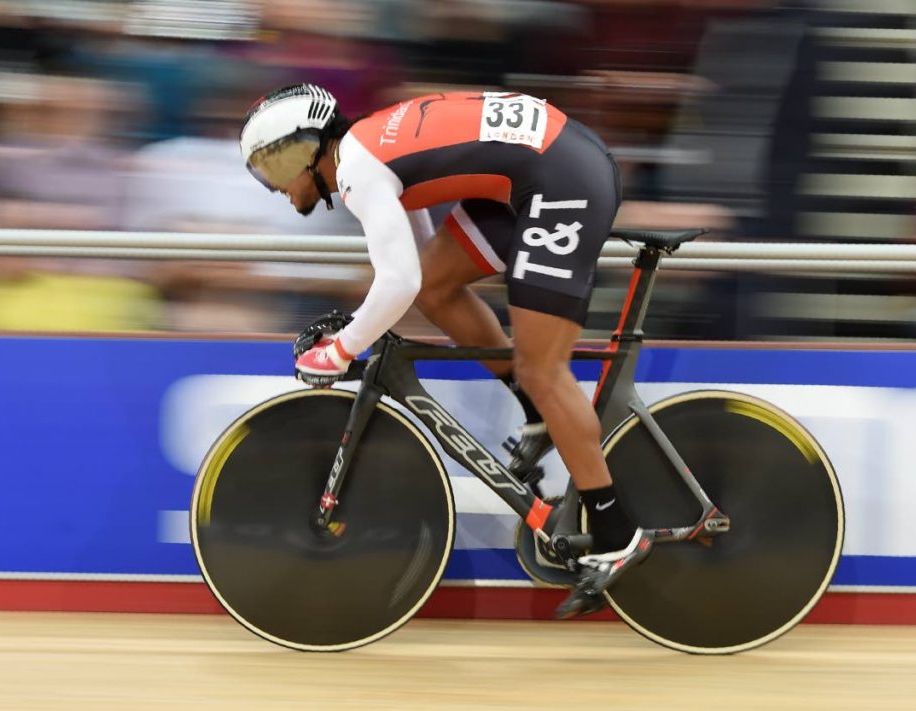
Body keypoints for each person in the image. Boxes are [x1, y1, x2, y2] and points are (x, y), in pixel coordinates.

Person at [238, 83, 653, 617]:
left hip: (560, 179)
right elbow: (415, 271)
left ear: (304, 149)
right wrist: (360, 329)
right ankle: (536, 412)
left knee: (543, 369)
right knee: (439, 289)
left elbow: (396, 283)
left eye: (271, 168)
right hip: (542, 167)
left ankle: (618, 533)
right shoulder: (366, 150)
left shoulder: (357, 169)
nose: (273, 186)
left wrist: (340, 351)